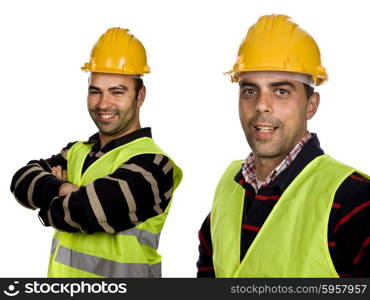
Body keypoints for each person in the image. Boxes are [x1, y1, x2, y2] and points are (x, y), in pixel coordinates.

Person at [197, 14, 370, 277]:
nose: (261, 106)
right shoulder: (229, 186)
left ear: (310, 105)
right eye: (250, 90)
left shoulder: (352, 199)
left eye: (281, 91)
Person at [11, 27, 182, 278]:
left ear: (140, 96)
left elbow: (92, 210)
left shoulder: (154, 166)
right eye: (95, 91)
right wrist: (62, 189)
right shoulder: (76, 151)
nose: (104, 104)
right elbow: (21, 181)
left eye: (117, 92)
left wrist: (48, 204)